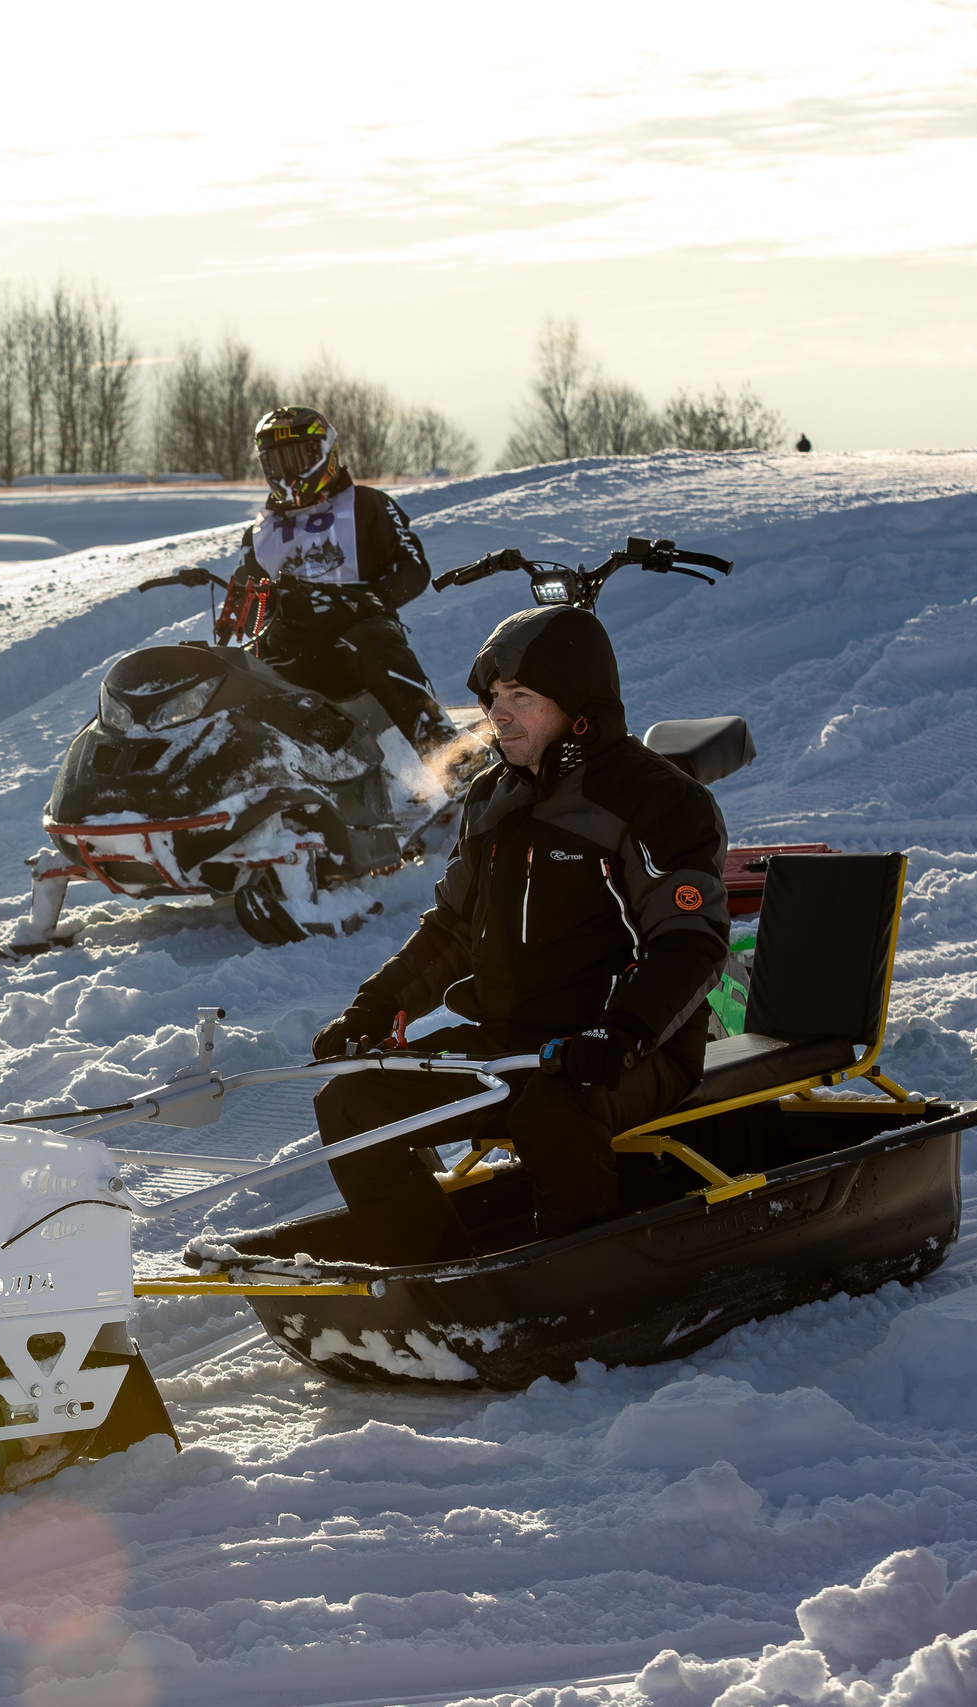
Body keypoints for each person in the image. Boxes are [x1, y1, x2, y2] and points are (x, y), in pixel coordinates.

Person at [303, 603, 730, 1261]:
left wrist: (621, 1032)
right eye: (494, 697)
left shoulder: (656, 800)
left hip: (627, 1049)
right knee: (352, 1103)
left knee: (554, 1112)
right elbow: (452, 930)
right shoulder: (491, 798)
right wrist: (375, 1006)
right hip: (508, 1045)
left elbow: (691, 942)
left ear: (578, 706)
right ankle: (436, 1278)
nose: (497, 714)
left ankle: (581, 1281)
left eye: (521, 696)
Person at [214, 406, 449, 752]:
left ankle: (442, 746)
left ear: (327, 453)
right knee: (238, 670)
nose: (288, 472)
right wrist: (266, 626)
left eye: (298, 458)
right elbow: (247, 599)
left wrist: (377, 597)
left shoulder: (367, 503)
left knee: (372, 643)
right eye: (277, 462)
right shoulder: (259, 532)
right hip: (292, 644)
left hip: (358, 630)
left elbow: (413, 567)